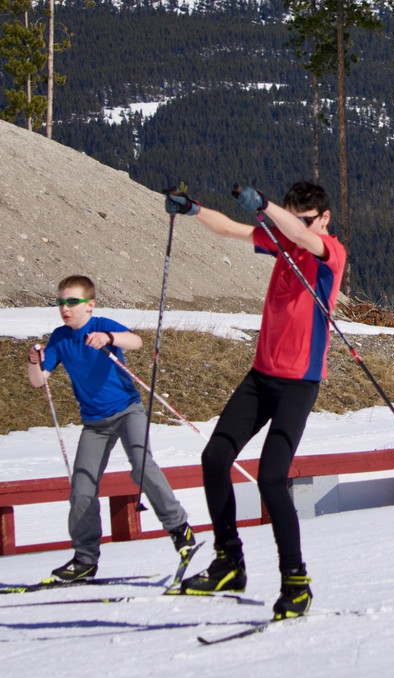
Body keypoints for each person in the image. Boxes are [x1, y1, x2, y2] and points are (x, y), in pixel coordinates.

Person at [165, 182, 345, 620]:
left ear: (324, 219)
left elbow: (303, 238)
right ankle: (229, 562)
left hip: (298, 383)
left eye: (305, 219)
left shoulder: (329, 251)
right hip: (261, 376)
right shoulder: (282, 239)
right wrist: (193, 210)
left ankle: (296, 581)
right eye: (291, 215)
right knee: (215, 457)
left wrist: (267, 208)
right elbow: (231, 230)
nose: (296, 225)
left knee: (270, 479)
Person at [27, 275, 195, 582]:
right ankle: (85, 559)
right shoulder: (60, 337)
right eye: (61, 302)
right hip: (94, 423)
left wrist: (109, 338)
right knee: (81, 489)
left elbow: (137, 341)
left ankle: (179, 528)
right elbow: (39, 379)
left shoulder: (100, 324)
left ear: (90, 305)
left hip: (127, 411)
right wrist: (33, 360)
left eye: (72, 301)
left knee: (141, 465)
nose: (66, 308)